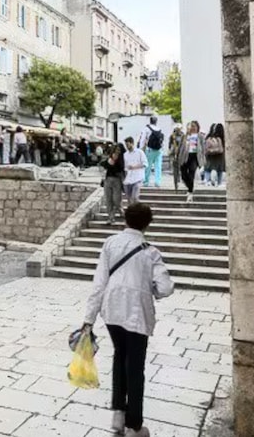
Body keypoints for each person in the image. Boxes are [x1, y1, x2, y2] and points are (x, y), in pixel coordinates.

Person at [82, 203, 175, 437]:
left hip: (111, 310)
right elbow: (165, 288)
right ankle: (134, 425)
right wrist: (150, 288)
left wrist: (88, 319)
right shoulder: (150, 252)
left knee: (119, 358)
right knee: (135, 367)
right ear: (147, 224)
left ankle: (118, 414)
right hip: (136, 314)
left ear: (125, 220)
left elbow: (99, 282)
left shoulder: (110, 243)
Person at [178, 121, 206, 202]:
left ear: (197, 127)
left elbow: (203, 148)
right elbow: (180, 147)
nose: (192, 128)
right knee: (183, 175)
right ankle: (189, 187)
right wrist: (177, 156)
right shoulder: (185, 136)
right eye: (191, 126)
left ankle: (190, 192)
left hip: (195, 156)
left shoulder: (200, 136)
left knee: (191, 173)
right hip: (185, 156)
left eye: (194, 126)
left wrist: (203, 158)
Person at [100, 144, 126, 224]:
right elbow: (102, 165)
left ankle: (121, 210)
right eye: (115, 150)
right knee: (108, 200)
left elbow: (121, 169)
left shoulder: (122, 160)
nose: (117, 152)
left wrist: (114, 162)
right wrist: (109, 161)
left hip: (117, 181)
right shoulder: (109, 158)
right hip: (108, 180)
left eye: (118, 150)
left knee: (116, 200)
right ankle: (111, 218)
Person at [139, 117, 164, 187]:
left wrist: (141, 150)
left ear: (150, 121)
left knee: (148, 166)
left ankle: (146, 182)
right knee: (158, 166)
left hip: (150, 150)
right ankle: (157, 182)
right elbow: (162, 140)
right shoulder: (159, 129)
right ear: (156, 122)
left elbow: (143, 140)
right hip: (159, 150)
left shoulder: (147, 129)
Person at [122, 137, 147, 205]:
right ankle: (131, 212)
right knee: (129, 198)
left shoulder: (140, 152)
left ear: (132, 143)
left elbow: (145, 164)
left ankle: (138, 212)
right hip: (128, 179)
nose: (127, 146)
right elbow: (125, 167)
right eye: (126, 145)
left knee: (135, 197)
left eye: (128, 144)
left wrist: (134, 167)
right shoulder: (125, 155)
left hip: (138, 178)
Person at [168, 124, 184, 191]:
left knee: (180, 167)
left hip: (180, 153)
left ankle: (178, 179)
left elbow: (169, 145)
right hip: (175, 153)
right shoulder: (173, 136)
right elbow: (170, 145)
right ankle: (177, 180)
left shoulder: (183, 136)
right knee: (176, 168)